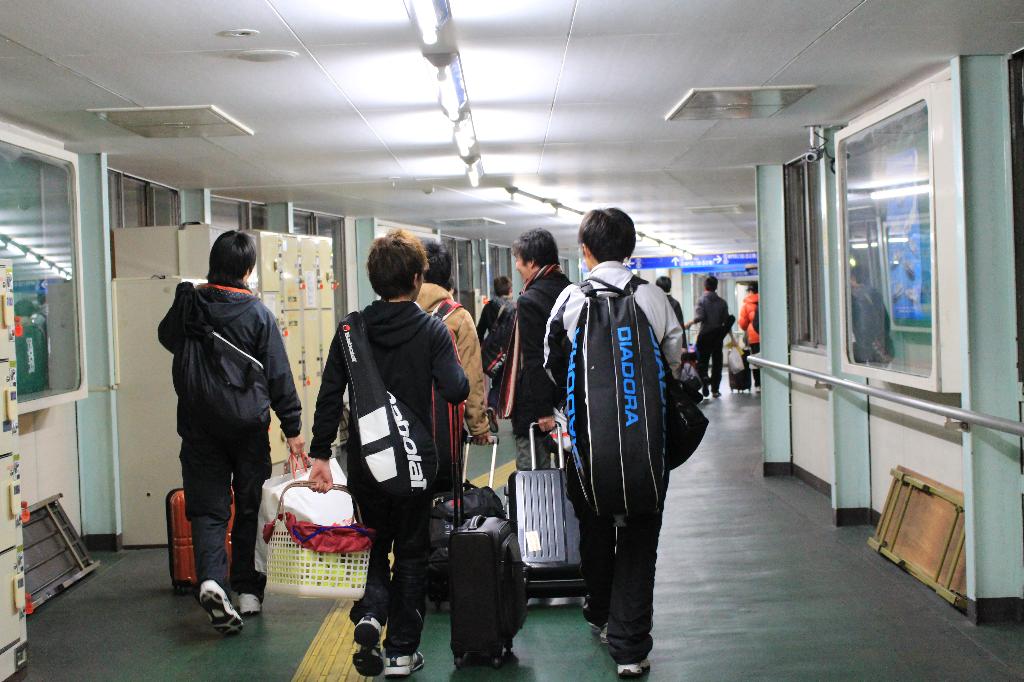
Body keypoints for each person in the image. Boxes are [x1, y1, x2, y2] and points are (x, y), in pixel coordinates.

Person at [306, 230, 469, 678]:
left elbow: (329, 395)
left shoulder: (351, 330)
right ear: (417, 279)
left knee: (373, 547)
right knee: (412, 554)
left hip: (367, 464)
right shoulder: (432, 330)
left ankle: (372, 613)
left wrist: (320, 456)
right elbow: (457, 389)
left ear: (373, 279)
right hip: (415, 464)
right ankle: (400, 652)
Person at [544, 208, 682, 679]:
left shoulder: (570, 300)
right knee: (641, 539)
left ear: (585, 251)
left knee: (594, 530)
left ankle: (600, 611)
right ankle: (630, 648)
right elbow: (674, 360)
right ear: (631, 248)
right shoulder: (652, 297)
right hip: (646, 446)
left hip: (586, 450)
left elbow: (551, 365)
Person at [158, 230, 304, 635]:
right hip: (247, 426)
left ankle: (210, 580)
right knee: (249, 505)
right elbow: (278, 374)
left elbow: (167, 339)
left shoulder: (193, 303)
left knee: (208, 508)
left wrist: (184, 300)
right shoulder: (258, 315)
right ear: (248, 269)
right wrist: (292, 428)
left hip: (199, 424)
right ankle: (248, 590)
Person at [507, 228, 571, 471]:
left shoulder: (529, 300)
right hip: (569, 398)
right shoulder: (572, 291)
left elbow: (535, 359)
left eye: (518, 259)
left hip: (537, 405)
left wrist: (544, 411)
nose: (517, 266)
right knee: (570, 472)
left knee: (535, 473)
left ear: (532, 262)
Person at [416, 241, 492, 446]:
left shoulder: (399, 310)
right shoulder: (459, 317)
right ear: (447, 275)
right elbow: (471, 374)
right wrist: (478, 426)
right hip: (444, 424)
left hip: (401, 423)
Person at [684, 276, 730, 398]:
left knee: (702, 362)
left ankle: (704, 383)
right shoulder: (722, 302)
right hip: (717, 336)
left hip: (705, 335)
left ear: (705, 286)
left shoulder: (701, 300)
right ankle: (715, 389)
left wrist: (690, 323)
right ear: (716, 287)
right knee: (717, 363)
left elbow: (700, 317)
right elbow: (726, 320)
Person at [476, 275, 514, 342]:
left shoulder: (488, 306)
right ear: (510, 290)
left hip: (493, 346)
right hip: (509, 346)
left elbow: (480, 332)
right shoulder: (513, 307)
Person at [738, 281, 761, 389]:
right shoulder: (766, 300)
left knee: (755, 360)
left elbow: (743, 324)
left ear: (751, 291)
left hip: (754, 336)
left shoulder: (747, 305)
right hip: (768, 337)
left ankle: (758, 384)